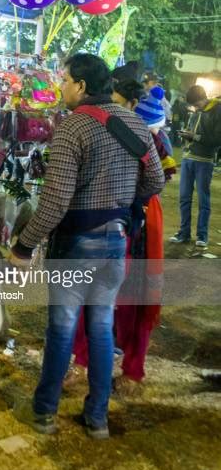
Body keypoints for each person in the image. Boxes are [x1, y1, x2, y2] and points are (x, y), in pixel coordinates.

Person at [10, 54, 165, 439]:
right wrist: (126, 203)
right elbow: (156, 180)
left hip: (77, 243)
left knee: (62, 329)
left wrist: (24, 246)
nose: (60, 86)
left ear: (80, 85)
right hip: (116, 241)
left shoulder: (73, 126)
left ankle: (44, 412)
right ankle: (97, 419)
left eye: (64, 80)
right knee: (101, 328)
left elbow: (56, 201)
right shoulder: (135, 123)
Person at [72, 81, 175, 390]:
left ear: (131, 104)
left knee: (129, 296)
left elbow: (157, 180)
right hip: (128, 217)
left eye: (116, 100)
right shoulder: (135, 133)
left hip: (133, 221)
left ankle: (127, 368)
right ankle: (90, 362)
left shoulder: (144, 137)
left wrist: (133, 202)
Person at [170, 85, 221, 247]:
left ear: (203, 99)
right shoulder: (197, 111)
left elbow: (217, 140)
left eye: (197, 104)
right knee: (184, 198)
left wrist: (195, 136)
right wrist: (187, 135)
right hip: (187, 158)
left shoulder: (218, 110)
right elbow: (194, 131)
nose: (196, 108)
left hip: (204, 161)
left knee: (203, 200)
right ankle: (184, 233)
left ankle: (202, 235)